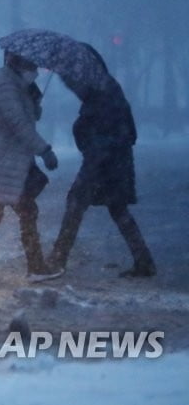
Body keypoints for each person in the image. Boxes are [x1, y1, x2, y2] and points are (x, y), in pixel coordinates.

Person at [47, 44, 156, 278]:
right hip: (114, 159)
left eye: (70, 79)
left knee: (76, 202)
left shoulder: (101, 95)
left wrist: (83, 133)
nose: (70, 85)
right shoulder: (105, 90)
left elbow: (102, 132)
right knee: (117, 208)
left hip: (102, 160)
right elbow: (127, 130)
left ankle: (58, 259)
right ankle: (143, 260)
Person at [0, 51, 61, 282]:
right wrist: (44, 150)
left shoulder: (15, 85)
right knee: (23, 211)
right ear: (15, 61)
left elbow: (29, 118)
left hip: (6, 160)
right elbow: (19, 124)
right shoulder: (6, 87)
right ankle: (35, 266)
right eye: (30, 62)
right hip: (0, 161)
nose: (34, 68)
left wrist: (34, 100)